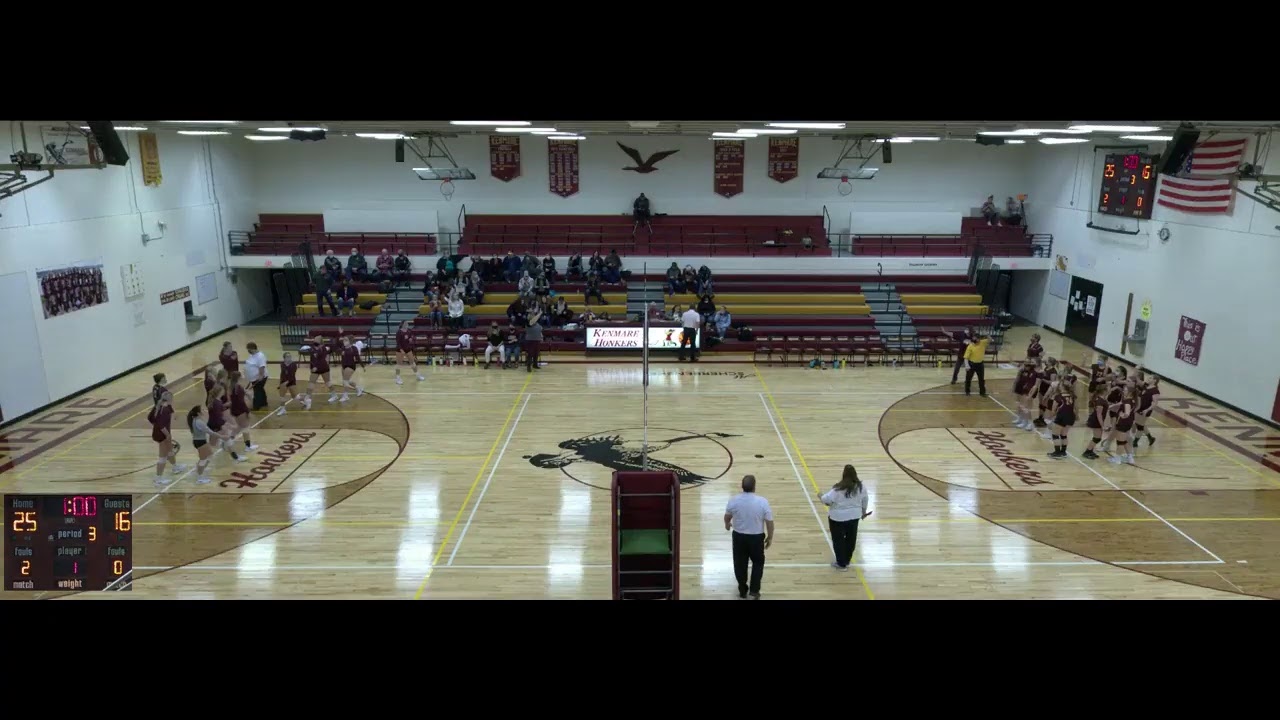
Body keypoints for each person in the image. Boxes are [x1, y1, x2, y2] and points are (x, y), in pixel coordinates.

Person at [724, 474, 773, 599]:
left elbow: (727, 516)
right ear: (754, 486)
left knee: (740, 564)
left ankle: (742, 589)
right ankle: (754, 591)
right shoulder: (762, 502)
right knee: (758, 563)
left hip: (739, 537)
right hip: (756, 538)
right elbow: (769, 521)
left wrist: (727, 524)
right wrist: (770, 537)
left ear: (742, 486)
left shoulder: (734, 500)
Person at [820, 465, 872, 571]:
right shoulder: (861, 487)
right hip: (854, 517)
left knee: (838, 540)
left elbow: (827, 500)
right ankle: (847, 560)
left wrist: (820, 496)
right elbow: (865, 500)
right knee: (851, 539)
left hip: (837, 518)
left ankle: (841, 563)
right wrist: (863, 512)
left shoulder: (838, 488)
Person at [244, 342, 269, 411]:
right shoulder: (252, 355)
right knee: (260, 389)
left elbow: (262, 367)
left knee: (257, 391)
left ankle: (256, 406)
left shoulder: (260, 356)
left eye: (249, 349)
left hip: (259, 377)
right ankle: (264, 403)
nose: (248, 351)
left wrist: (261, 376)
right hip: (254, 378)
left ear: (253, 348)